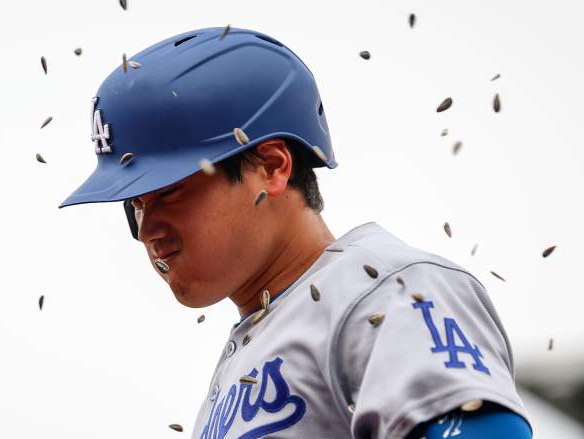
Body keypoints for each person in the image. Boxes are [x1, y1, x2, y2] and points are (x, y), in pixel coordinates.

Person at [58, 26, 533, 439]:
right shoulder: (258, 343)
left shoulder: (386, 290)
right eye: (136, 205)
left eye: (170, 191)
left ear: (271, 167)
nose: (148, 231)